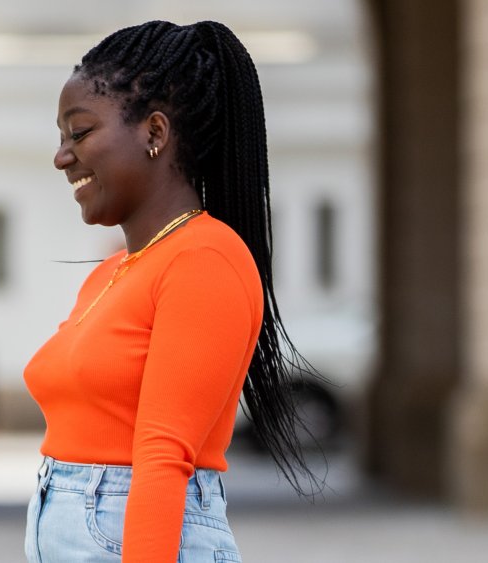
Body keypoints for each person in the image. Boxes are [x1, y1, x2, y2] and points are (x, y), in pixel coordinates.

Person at [23, 20, 321, 562]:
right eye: (61, 138)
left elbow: (163, 455)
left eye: (80, 132)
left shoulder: (205, 259)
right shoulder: (111, 273)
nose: (62, 157)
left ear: (155, 133)